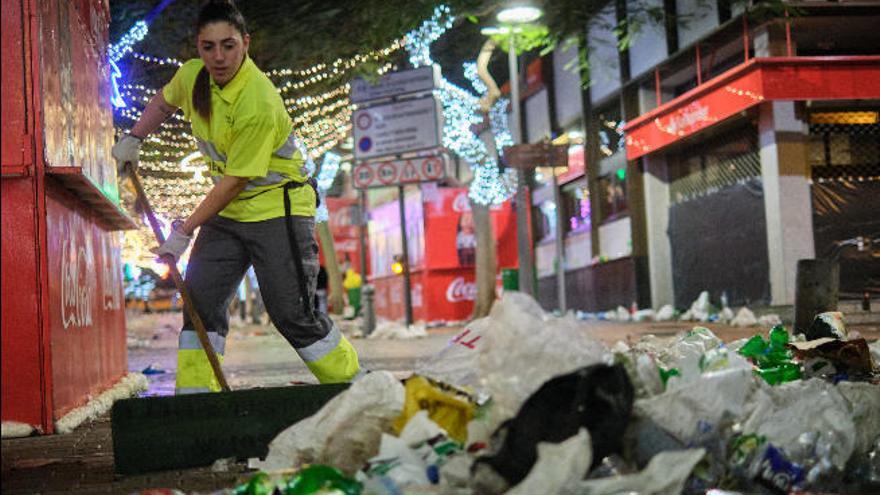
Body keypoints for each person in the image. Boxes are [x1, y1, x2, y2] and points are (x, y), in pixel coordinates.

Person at [112, 0, 361, 393]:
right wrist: (135, 137)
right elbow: (163, 101)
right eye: (208, 46)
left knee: (290, 313)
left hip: (277, 209)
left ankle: (354, 386)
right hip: (230, 215)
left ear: (245, 43)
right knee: (199, 305)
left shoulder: (257, 101)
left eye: (228, 45)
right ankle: (196, 401)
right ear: (198, 47)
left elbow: (234, 182)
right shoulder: (194, 77)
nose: (218, 56)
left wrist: (185, 231)